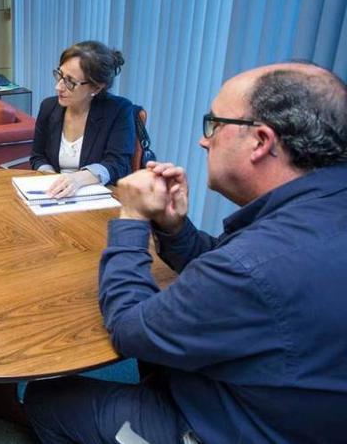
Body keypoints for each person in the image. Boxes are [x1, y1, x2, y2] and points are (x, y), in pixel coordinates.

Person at [24, 62, 347, 443]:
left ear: (261, 141)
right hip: (291, 401)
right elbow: (235, 272)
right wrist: (174, 227)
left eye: (214, 124)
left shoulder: (253, 265)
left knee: (45, 398)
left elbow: (128, 328)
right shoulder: (316, 211)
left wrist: (131, 219)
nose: (203, 141)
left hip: (236, 425)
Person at [30, 40, 137, 198]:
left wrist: (77, 179)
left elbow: (117, 164)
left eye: (70, 82)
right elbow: (37, 156)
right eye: (60, 76)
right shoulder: (48, 107)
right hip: (54, 196)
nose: (58, 87)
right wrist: (51, 178)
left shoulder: (118, 110)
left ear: (96, 87)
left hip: (98, 198)